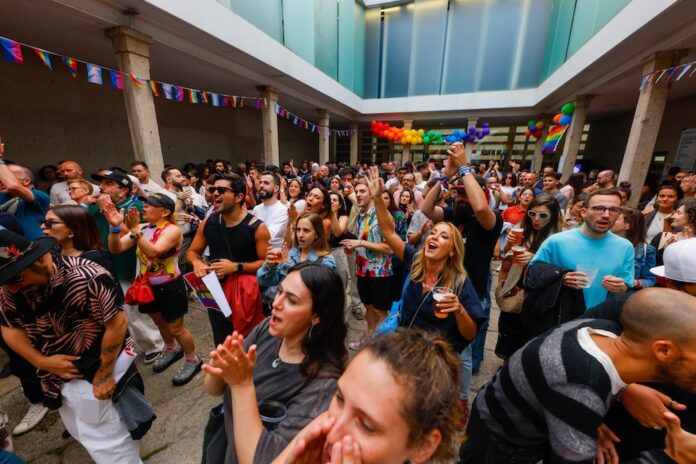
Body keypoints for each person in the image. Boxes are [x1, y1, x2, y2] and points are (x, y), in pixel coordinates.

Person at [462, 288, 696, 463]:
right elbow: (574, 388)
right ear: (663, 350)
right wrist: (672, 456)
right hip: (499, 442)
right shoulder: (581, 388)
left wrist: (586, 419)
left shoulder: (603, 329)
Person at [0, 228, 151, 463]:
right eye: (4, 282)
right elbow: (9, 326)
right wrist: (41, 361)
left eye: (17, 278)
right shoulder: (11, 288)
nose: (12, 289)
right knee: (87, 437)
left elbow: (117, 324)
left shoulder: (88, 276)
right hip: (54, 379)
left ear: (40, 259)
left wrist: (103, 375)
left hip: (96, 375)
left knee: (115, 448)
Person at [203, 262, 347, 464]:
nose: (275, 303)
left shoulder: (323, 385)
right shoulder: (268, 331)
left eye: (292, 300)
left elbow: (263, 459)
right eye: (280, 291)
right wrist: (220, 365)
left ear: (316, 316)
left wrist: (241, 383)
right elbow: (215, 389)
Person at [369, 171, 485, 414]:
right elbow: (389, 234)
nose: (434, 237)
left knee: (423, 409)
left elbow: (471, 332)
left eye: (444, 237)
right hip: (405, 349)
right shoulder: (414, 261)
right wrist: (378, 199)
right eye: (433, 232)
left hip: (435, 361)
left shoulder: (461, 283)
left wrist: (459, 309)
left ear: (452, 251)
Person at [273, 329, 462, 464]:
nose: (332, 434)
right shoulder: (326, 423)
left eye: (366, 426)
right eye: (339, 398)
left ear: (423, 446)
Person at [421, 142, 503, 375]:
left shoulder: (489, 220)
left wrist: (465, 168)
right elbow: (426, 208)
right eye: (457, 193)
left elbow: (479, 206)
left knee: (465, 354)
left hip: (473, 294)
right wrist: (445, 178)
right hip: (447, 290)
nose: (460, 198)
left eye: (465, 193)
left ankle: (464, 394)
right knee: (448, 345)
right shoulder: (454, 215)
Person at [104, 192, 201, 386]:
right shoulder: (141, 228)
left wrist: (134, 231)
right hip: (148, 286)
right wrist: (114, 227)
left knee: (176, 327)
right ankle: (172, 349)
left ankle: (193, 359)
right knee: (158, 321)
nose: (144, 207)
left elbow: (154, 251)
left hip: (170, 286)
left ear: (164, 212)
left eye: (149, 205)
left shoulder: (172, 230)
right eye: (144, 203)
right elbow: (115, 248)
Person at [89, 170, 165, 364]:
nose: (102, 187)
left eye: (108, 184)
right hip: (106, 265)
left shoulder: (138, 206)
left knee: (137, 309)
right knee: (121, 311)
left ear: (123, 190)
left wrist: (114, 219)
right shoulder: (94, 209)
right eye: (101, 184)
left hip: (132, 266)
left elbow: (142, 236)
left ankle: (154, 344)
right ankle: (139, 343)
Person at [187, 173, 270, 346]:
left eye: (221, 190)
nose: (214, 193)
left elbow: (266, 263)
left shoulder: (257, 228)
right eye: (212, 189)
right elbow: (193, 252)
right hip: (216, 292)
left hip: (247, 296)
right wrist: (198, 263)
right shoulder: (208, 222)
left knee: (248, 342)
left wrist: (236, 267)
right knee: (222, 340)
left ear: (239, 197)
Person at [530, 188, 634, 308]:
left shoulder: (625, 247)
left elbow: (627, 285)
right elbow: (532, 275)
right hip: (559, 318)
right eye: (599, 208)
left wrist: (622, 288)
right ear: (584, 212)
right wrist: (561, 278)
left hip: (597, 319)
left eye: (613, 210)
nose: (606, 215)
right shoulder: (556, 241)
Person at [341, 179, 393, 348]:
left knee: (380, 311)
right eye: (357, 191)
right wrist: (353, 247)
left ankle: (381, 347)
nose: (358, 194)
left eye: (362, 191)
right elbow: (364, 240)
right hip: (363, 270)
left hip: (381, 273)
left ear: (372, 193)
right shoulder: (361, 214)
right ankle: (369, 339)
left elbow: (390, 248)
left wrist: (360, 243)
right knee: (368, 308)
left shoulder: (383, 215)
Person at [258, 212, 336, 306]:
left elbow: (316, 289)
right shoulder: (291, 254)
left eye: (306, 230)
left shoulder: (325, 260)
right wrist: (270, 266)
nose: (300, 235)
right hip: (283, 308)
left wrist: (289, 264)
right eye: (298, 230)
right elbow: (263, 282)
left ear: (317, 235)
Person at [0, 144, 50, 240]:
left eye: (8, 176)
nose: (2, 181)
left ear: (26, 181)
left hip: (35, 250)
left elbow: (13, 186)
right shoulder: (2, 196)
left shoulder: (40, 196)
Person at [611, 206, 656, 290]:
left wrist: (635, 282)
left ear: (628, 225)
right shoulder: (600, 242)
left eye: (615, 219)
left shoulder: (645, 250)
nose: (609, 220)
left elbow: (650, 280)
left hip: (621, 297)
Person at [650, 197, 696, 266]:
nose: (672, 216)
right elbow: (650, 264)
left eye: (678, 213)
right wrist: (665, 251)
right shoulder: (662, 237)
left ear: (691, 216)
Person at [252, 171, 289, 241]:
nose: (261, 185)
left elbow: (269, 236)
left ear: (276, 188)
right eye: (260, 182)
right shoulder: (256, 208)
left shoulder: (282, 210)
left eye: (266, 183)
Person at [327, 192, 351, 290]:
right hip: (325, 252)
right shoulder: (322, 216)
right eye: (329, 200)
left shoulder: (343, 217)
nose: (332, 202)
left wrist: (332, 214)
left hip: (338, 252)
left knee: (341, 286)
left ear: (340, 205)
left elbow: (337, 233)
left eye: (335, 200)